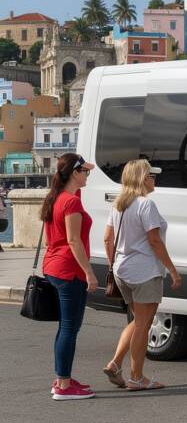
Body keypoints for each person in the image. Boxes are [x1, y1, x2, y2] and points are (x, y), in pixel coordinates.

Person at [102, 160, 182, 391]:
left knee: (138, 321)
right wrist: (173, 271)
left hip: (122, 271)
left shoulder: (118, 205)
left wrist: (114, 262)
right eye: (150, 175)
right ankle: (137, 378)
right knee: (143, 326)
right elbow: (155, 241)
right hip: (145, 271)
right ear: (140, 178)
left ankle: (116, 364)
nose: (153, 178)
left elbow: (107, 238)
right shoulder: (146, 205)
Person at [40, 153, 97, 400]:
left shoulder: (58, 198)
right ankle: (63, 386)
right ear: (74, 173)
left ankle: (61, 377)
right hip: (69, 270)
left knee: (66, 327)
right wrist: (89, 272)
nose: (87, 175)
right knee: (70, 329)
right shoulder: (70, 203)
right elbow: (74, 241)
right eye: (85, 172)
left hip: (53, 266)